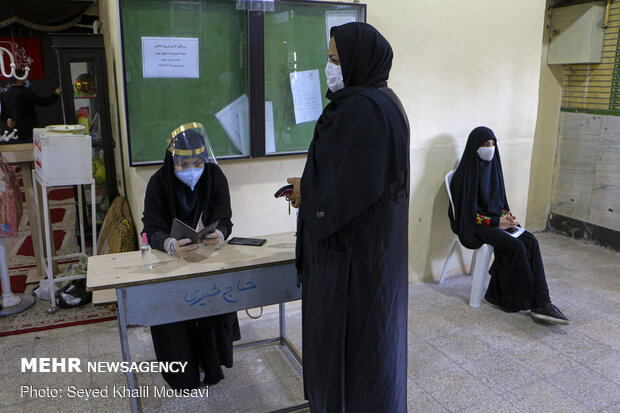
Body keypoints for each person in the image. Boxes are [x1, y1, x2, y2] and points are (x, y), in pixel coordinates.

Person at [286, 23, 410, 412]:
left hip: (349, 260)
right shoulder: (385, 101)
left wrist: (307, 192)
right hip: (376, 254)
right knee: (375, 343)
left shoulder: (359, 111)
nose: (330, 69)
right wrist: (312, 187)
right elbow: (357, 179)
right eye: (328, 59)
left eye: (336, 60)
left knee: (349, 348)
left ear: (358, 61)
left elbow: (341, 197)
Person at [142, 123, 240, 389]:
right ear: (171, 161)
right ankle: (182, 372)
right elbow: (151, 228)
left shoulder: (214, 176)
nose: (191, 171)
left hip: (207, 260)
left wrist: (220, 233)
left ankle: (211, 364)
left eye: (197, 163)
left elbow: (226, 220)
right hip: (170, 265)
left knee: (212, 311)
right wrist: (170, 244)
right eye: (183, 165)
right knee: (175, 320)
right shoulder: (158, 183)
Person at [449, 126, 569, 324]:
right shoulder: (464, 176)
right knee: (515, 246)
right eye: (485, 144)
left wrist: (508, 218)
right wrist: (497, 222)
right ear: (474, 146)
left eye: (493, 144)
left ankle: (541, 300)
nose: (491, 148)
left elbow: (501, 202)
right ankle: (536, 303)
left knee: (531, 240)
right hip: (475, 226)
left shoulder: (494, 168)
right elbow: (467, 216)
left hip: (496, 222)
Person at [0, 69, 61, 143]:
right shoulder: (24, 93)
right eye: (25, 77)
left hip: (12, 133)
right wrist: (56, 94)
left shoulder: (5, 94)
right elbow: (42, 102)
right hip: (27, 131)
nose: (26, 80)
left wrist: (7, 119)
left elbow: (2, 113)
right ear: (20, 78)